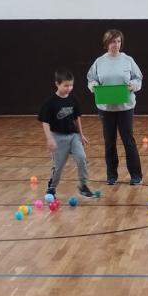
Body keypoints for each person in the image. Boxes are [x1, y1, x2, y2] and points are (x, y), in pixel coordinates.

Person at [86, 29, 144, 186]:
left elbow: (138, 78)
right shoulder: (99, 62)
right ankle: (111, 175)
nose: (116, 45)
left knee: (128, 141)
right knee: (109, 142)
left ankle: (136, 175)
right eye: (113, 41)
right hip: (106, 109)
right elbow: (91, 79)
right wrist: (94, 86)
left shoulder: (128, 60)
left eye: (118, 41)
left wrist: (133, 85)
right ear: (106, 43)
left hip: (126, 108)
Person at [41, 69, 98, 199]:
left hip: (73, 136)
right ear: (57, 84)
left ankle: (83, 186)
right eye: (65, 85)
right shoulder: (50, 102)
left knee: (82, 158)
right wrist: (50, 138)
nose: (69, 88)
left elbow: (77, 118)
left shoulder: (73, 99)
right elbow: (45, 122)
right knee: (59, 166)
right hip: (58, 137)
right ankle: (52, 187)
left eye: (71, 85)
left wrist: (81, 134)